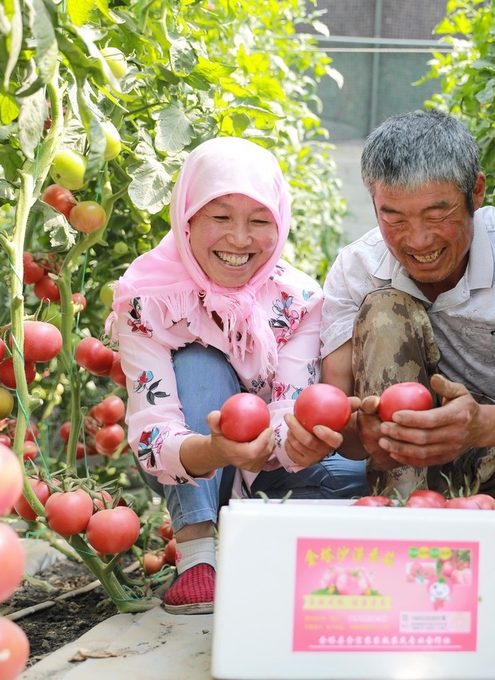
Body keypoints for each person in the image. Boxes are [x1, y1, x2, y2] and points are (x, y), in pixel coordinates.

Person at [108, 137, 368, 615]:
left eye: (260, 220)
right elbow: (151, 427)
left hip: (273, 463)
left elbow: (291, 401)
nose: (241, 239)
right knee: (198, 362)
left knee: (366, 474)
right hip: (190, 463)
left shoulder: (297, 301)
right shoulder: (147, 298)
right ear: (186, 217)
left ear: (280, 222)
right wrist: (215, 449)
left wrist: (296, 443)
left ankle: (263, 531)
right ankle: (196, 554)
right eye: (220, 217)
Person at [320, 109, 495, 514]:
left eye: (438, 214)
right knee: (383, 308)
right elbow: (340, 419)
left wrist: (477, 426)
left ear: (477, 192)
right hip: (400, 459)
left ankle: (485, 555)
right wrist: (365, 433)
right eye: (392, 217)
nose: (417, 240)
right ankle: (400, 514)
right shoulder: (356, 268)